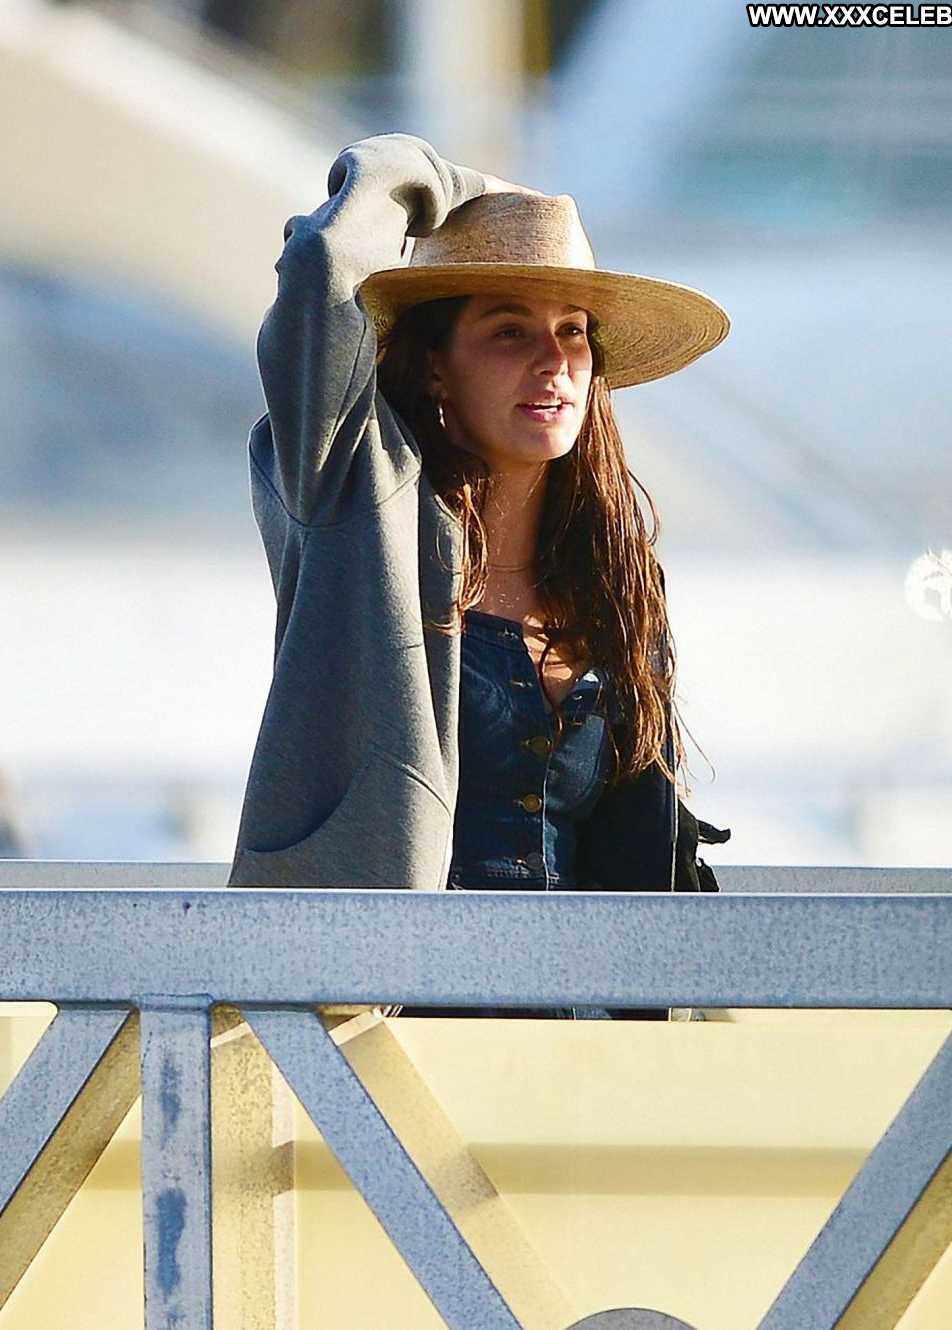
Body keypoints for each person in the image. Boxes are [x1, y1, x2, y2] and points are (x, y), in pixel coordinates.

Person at [228, 133, 730, 1013]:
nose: (554, 362)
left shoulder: (616, 585)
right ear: (434, 364)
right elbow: (322, 268)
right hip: (381, 1027)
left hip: (583, 1047)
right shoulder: (357, 505)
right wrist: (463, 187)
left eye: (572, 333)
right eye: (509, 331)